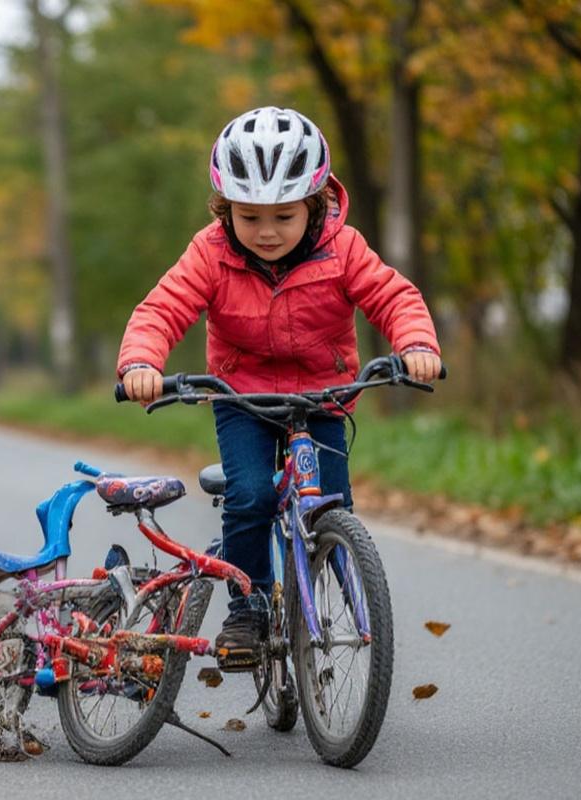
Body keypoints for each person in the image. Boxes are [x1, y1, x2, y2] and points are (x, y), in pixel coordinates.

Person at [116, 106, 441, 670]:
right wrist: (142, 360)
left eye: (284, 217)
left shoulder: (343, 248)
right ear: (225, 211)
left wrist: (416, 346)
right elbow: (163, 308)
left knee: (329, 507)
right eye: (249, 217)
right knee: (251, 498)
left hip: (324, 397)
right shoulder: (211, 253)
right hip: (242, 398)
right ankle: (248, 608)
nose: (266, 232)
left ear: (315, 205)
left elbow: (394, 297)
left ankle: (331, 575)